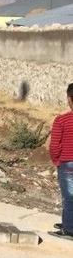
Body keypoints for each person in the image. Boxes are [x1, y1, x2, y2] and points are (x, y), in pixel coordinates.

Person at [50, 83, 73, 238]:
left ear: (69, 99)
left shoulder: (62, 120)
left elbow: (54, 146)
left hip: (68, 163)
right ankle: (68, 222)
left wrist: (56, 161)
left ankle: (69, 229)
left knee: (69, 196)